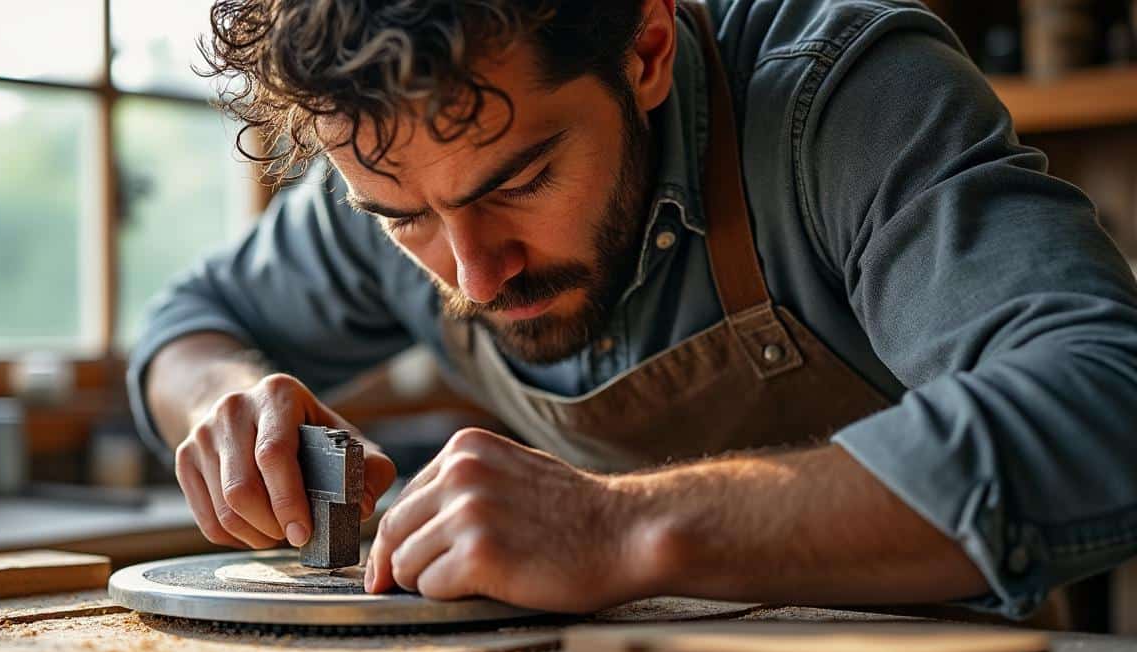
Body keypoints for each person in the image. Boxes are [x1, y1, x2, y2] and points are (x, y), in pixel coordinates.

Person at [130, 0, 1137, 619]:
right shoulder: (400, 168)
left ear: (646, 48)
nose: (475, 277)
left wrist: (622, 531)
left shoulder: (837, 98)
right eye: (407, 222)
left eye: (520, 180)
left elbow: (1101, 402)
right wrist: (224, 399)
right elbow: (189, 321)